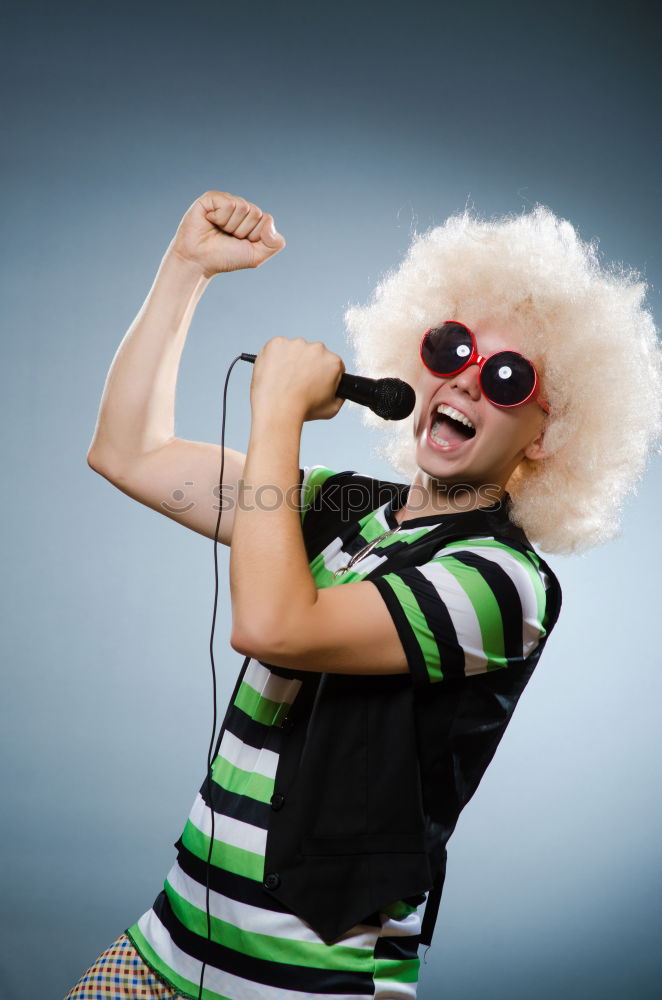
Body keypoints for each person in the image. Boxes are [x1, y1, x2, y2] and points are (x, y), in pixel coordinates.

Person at [67, 190, 661, 1000]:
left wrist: (277, 414)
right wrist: (186, 269)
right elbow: (130, 452)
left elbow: (274, 625)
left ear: (548, 438)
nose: (468, 381)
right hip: (165, 946)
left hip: (301, 986)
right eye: (453, 347)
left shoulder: (505, 584)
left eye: (510, 377)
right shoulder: (338, 508)